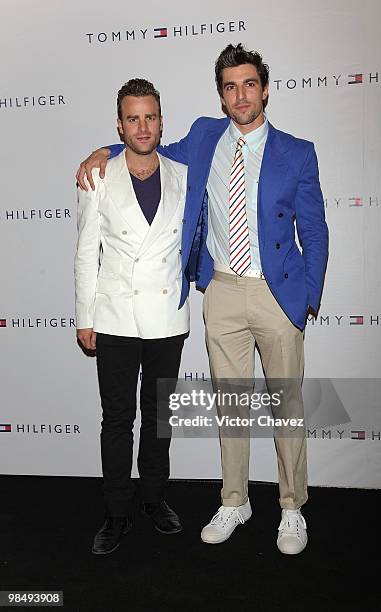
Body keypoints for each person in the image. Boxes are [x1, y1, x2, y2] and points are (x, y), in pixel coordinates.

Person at [77, 44, 329, 555]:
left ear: (264, 88)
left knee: (287, 405)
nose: (240, 95)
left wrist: (307, 296)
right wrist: (103, 150)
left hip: (278, 293)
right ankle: (234, 499)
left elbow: (316, 230)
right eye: (230, 86)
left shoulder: (298, 152)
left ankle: (291, 507)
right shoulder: (204, 137)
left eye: (249, 84)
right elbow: (145, 146)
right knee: (232, 408)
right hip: (222, 292)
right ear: (221, 95)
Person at [75, 78, 189, 555]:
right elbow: (85, 251)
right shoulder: (98, 175)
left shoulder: (184, 173)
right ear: (119, 125)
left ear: (162, 122)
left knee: (158, 416)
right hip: (116, 314)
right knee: (117, 420)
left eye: (150, 117)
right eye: (132, 118)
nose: (142, 127)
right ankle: (116, 510)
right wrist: (85, 316)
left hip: (166, 315)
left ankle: (155, 498)